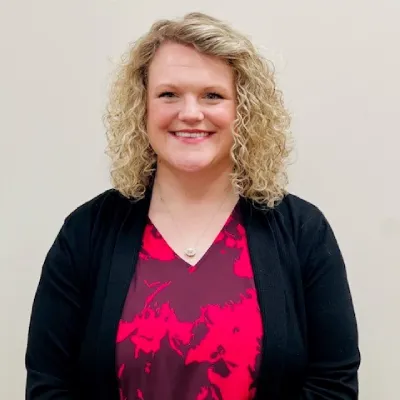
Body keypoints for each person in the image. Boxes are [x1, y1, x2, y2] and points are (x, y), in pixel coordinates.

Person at [25, 12, 360, 400]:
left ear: (244, 111)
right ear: (142, 108)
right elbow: (49, 385)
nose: (190, 113)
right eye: (169, 94)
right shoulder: (86, 232)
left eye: (212, 95)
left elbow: (333, 385)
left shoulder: (303, 231)